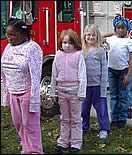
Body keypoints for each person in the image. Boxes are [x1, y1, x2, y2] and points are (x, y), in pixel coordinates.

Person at [1, 17, 43, 154]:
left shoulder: (32, 48)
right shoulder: (8, 47)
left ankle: (35, 150)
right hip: (13, 91)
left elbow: (36, 74)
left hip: (27, 92)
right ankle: (26, 147)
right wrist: (5, 93)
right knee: (18, 123)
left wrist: (34, 98)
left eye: (13, 35)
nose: (9, 38)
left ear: (23, 34)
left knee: (30, 124)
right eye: (7, 35)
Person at [49, 29, 87, 153]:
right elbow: (54, 74)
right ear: (61, 43)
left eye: (70, 43)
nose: (67, 45)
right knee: (64, 118)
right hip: (61, 92)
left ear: (75, 43)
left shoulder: (78, 55)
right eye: (64, 43)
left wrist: (81, 92)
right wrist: (52, 91)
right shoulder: (58, 55)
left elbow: (82, 75)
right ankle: (63, 142)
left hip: (75, 93)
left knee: (75, 118)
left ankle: (76, 143)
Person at [81, 24, 110, 139]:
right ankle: (84, 127)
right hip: (85, 86)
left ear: (97, 37)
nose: (91, 37)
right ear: (84, 36)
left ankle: (104, 128)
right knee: (84, 109)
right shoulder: (81, 51)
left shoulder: (101, 51)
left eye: (93, 35)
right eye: (88, 35)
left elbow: (104, 69)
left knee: (101, 108)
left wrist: (104, 85)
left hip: (97, 85)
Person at [105, 15, 132, 126]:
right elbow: (100, 36)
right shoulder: (111, 39)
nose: (120, 30)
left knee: (123, 95)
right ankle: (114, 117)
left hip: (123, 71)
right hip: (111, 70)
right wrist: (113, 33)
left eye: (123, 28)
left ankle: (122, 118)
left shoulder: (129, 41)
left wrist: (128, 75)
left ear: (127, 29)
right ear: (115, 29)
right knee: (113, 95)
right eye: (118, 28)